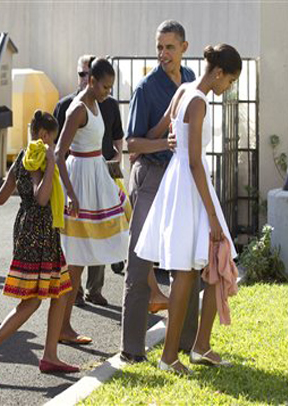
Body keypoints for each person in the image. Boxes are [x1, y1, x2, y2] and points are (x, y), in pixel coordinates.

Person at [136, 44, 242, 374]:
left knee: (213, 262)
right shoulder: (198, 101)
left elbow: (163, 130)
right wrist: (212, 216)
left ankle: (201, 346)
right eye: (231, 80)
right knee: (187, 270)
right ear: (220, 73)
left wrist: (147, 144)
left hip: (181, 182)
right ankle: (169, 356)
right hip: (189, 186)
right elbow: (195, 162)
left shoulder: (184, 88)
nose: (230, 87)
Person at [0, 110, 79, 379]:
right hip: (39, 233)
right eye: (52, 140)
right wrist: (51, 164)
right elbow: (42, 198)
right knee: (32, 302)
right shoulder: (40, 156)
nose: (53, 145)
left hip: (26, 228)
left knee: (61, 291)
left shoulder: (22, 156)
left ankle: (50, 354)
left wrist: (23, 187)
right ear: (44, 136)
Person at [120, 20, 197, 363]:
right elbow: (130, 143)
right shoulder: (146, 88)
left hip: (182, 178)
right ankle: (131, 349)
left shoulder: (193, 79)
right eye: (159, 47)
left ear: (184, 47)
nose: (163, 54)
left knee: (188, 261)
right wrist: (160, 140)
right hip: (151, 176)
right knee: (139, 264)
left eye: (170, 47)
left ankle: (187, 343)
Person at [55, 57, 129, 344]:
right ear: (92, 81)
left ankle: (64, 326)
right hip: (80, 182)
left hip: (95, 176)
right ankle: (63, 327)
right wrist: (71, 194)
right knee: (74, 258)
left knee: (82, 256)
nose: (108, 92)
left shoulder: (97, 105)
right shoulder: (77, 109)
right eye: (105, 87)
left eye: (111, 87)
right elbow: (59, 153)